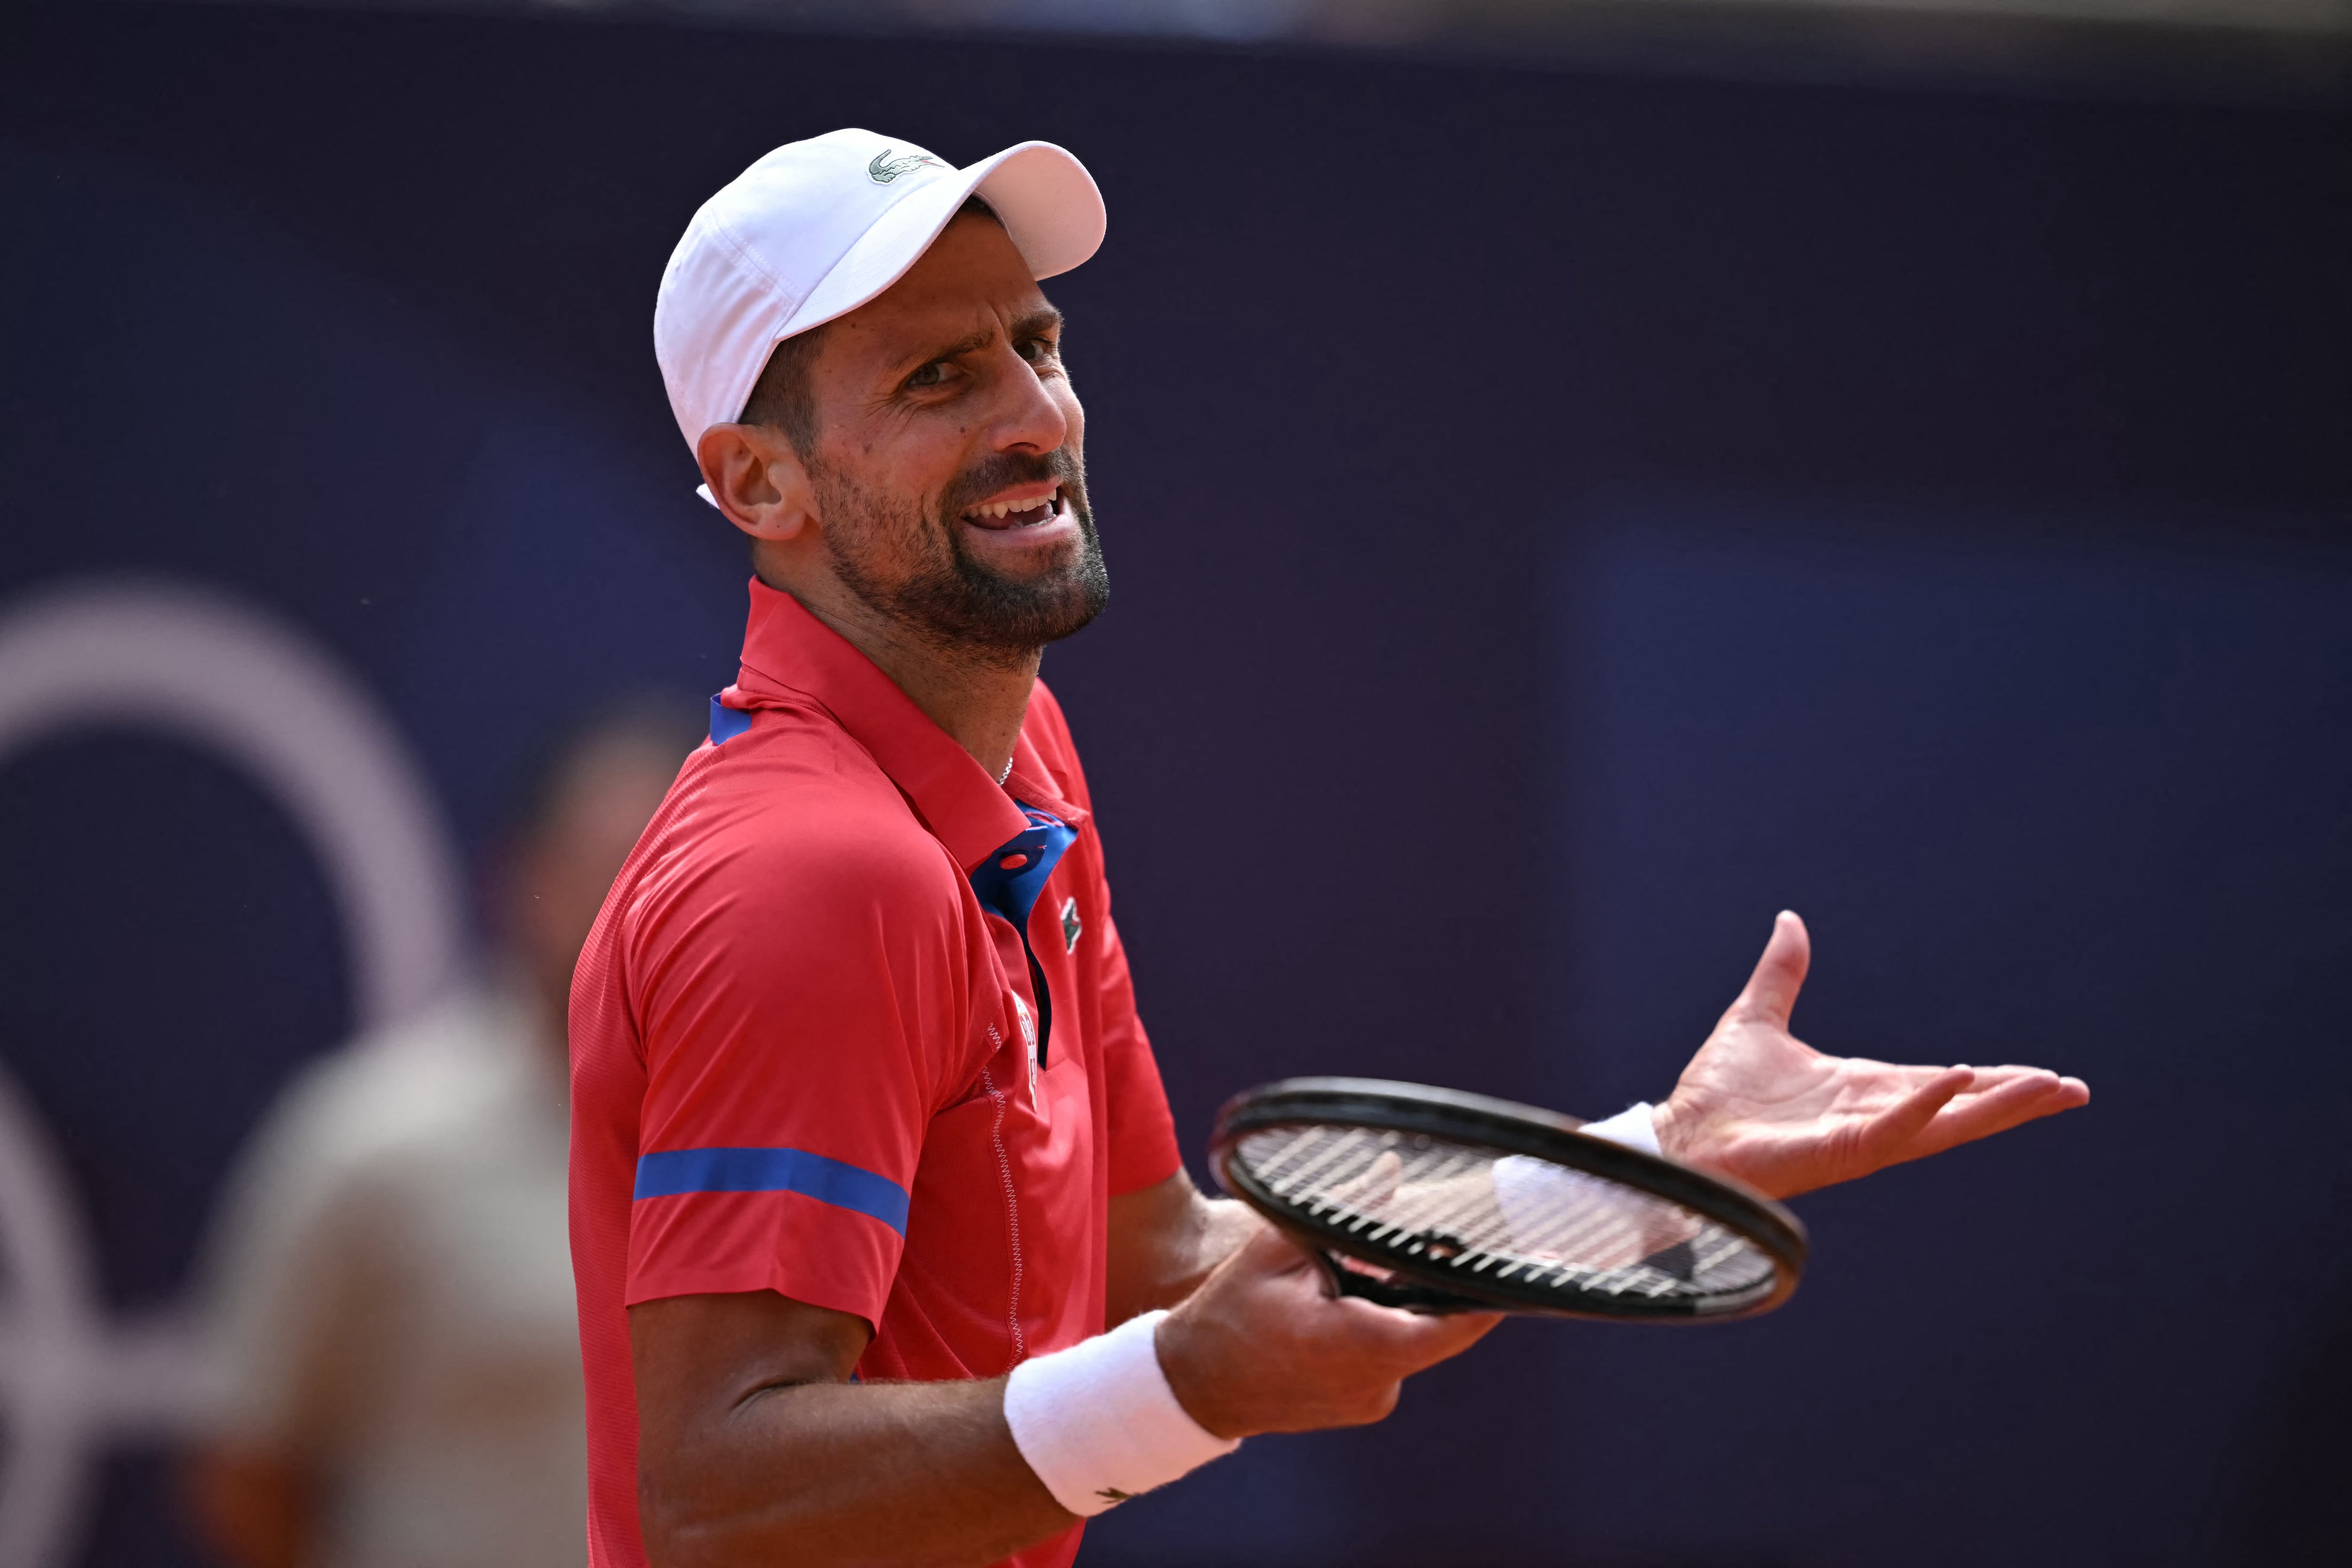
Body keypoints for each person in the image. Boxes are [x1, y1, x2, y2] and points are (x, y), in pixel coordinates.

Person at [569, 129, 2091, 1568]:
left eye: (1038, 344)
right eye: (939, 377)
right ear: (761, 482)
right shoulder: (808, 877)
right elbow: (714, 1497)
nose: (1035, 413)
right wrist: (1182, 1393)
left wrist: (1651, 1161)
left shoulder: (1023, 761)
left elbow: (1162, 1260)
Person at [186, 700, 698, 1568]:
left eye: (687, 876)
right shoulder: (369, 1144)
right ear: (521, 881)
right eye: (614, 866)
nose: (648, 909)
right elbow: (244, 1463)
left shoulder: (792, 1149)